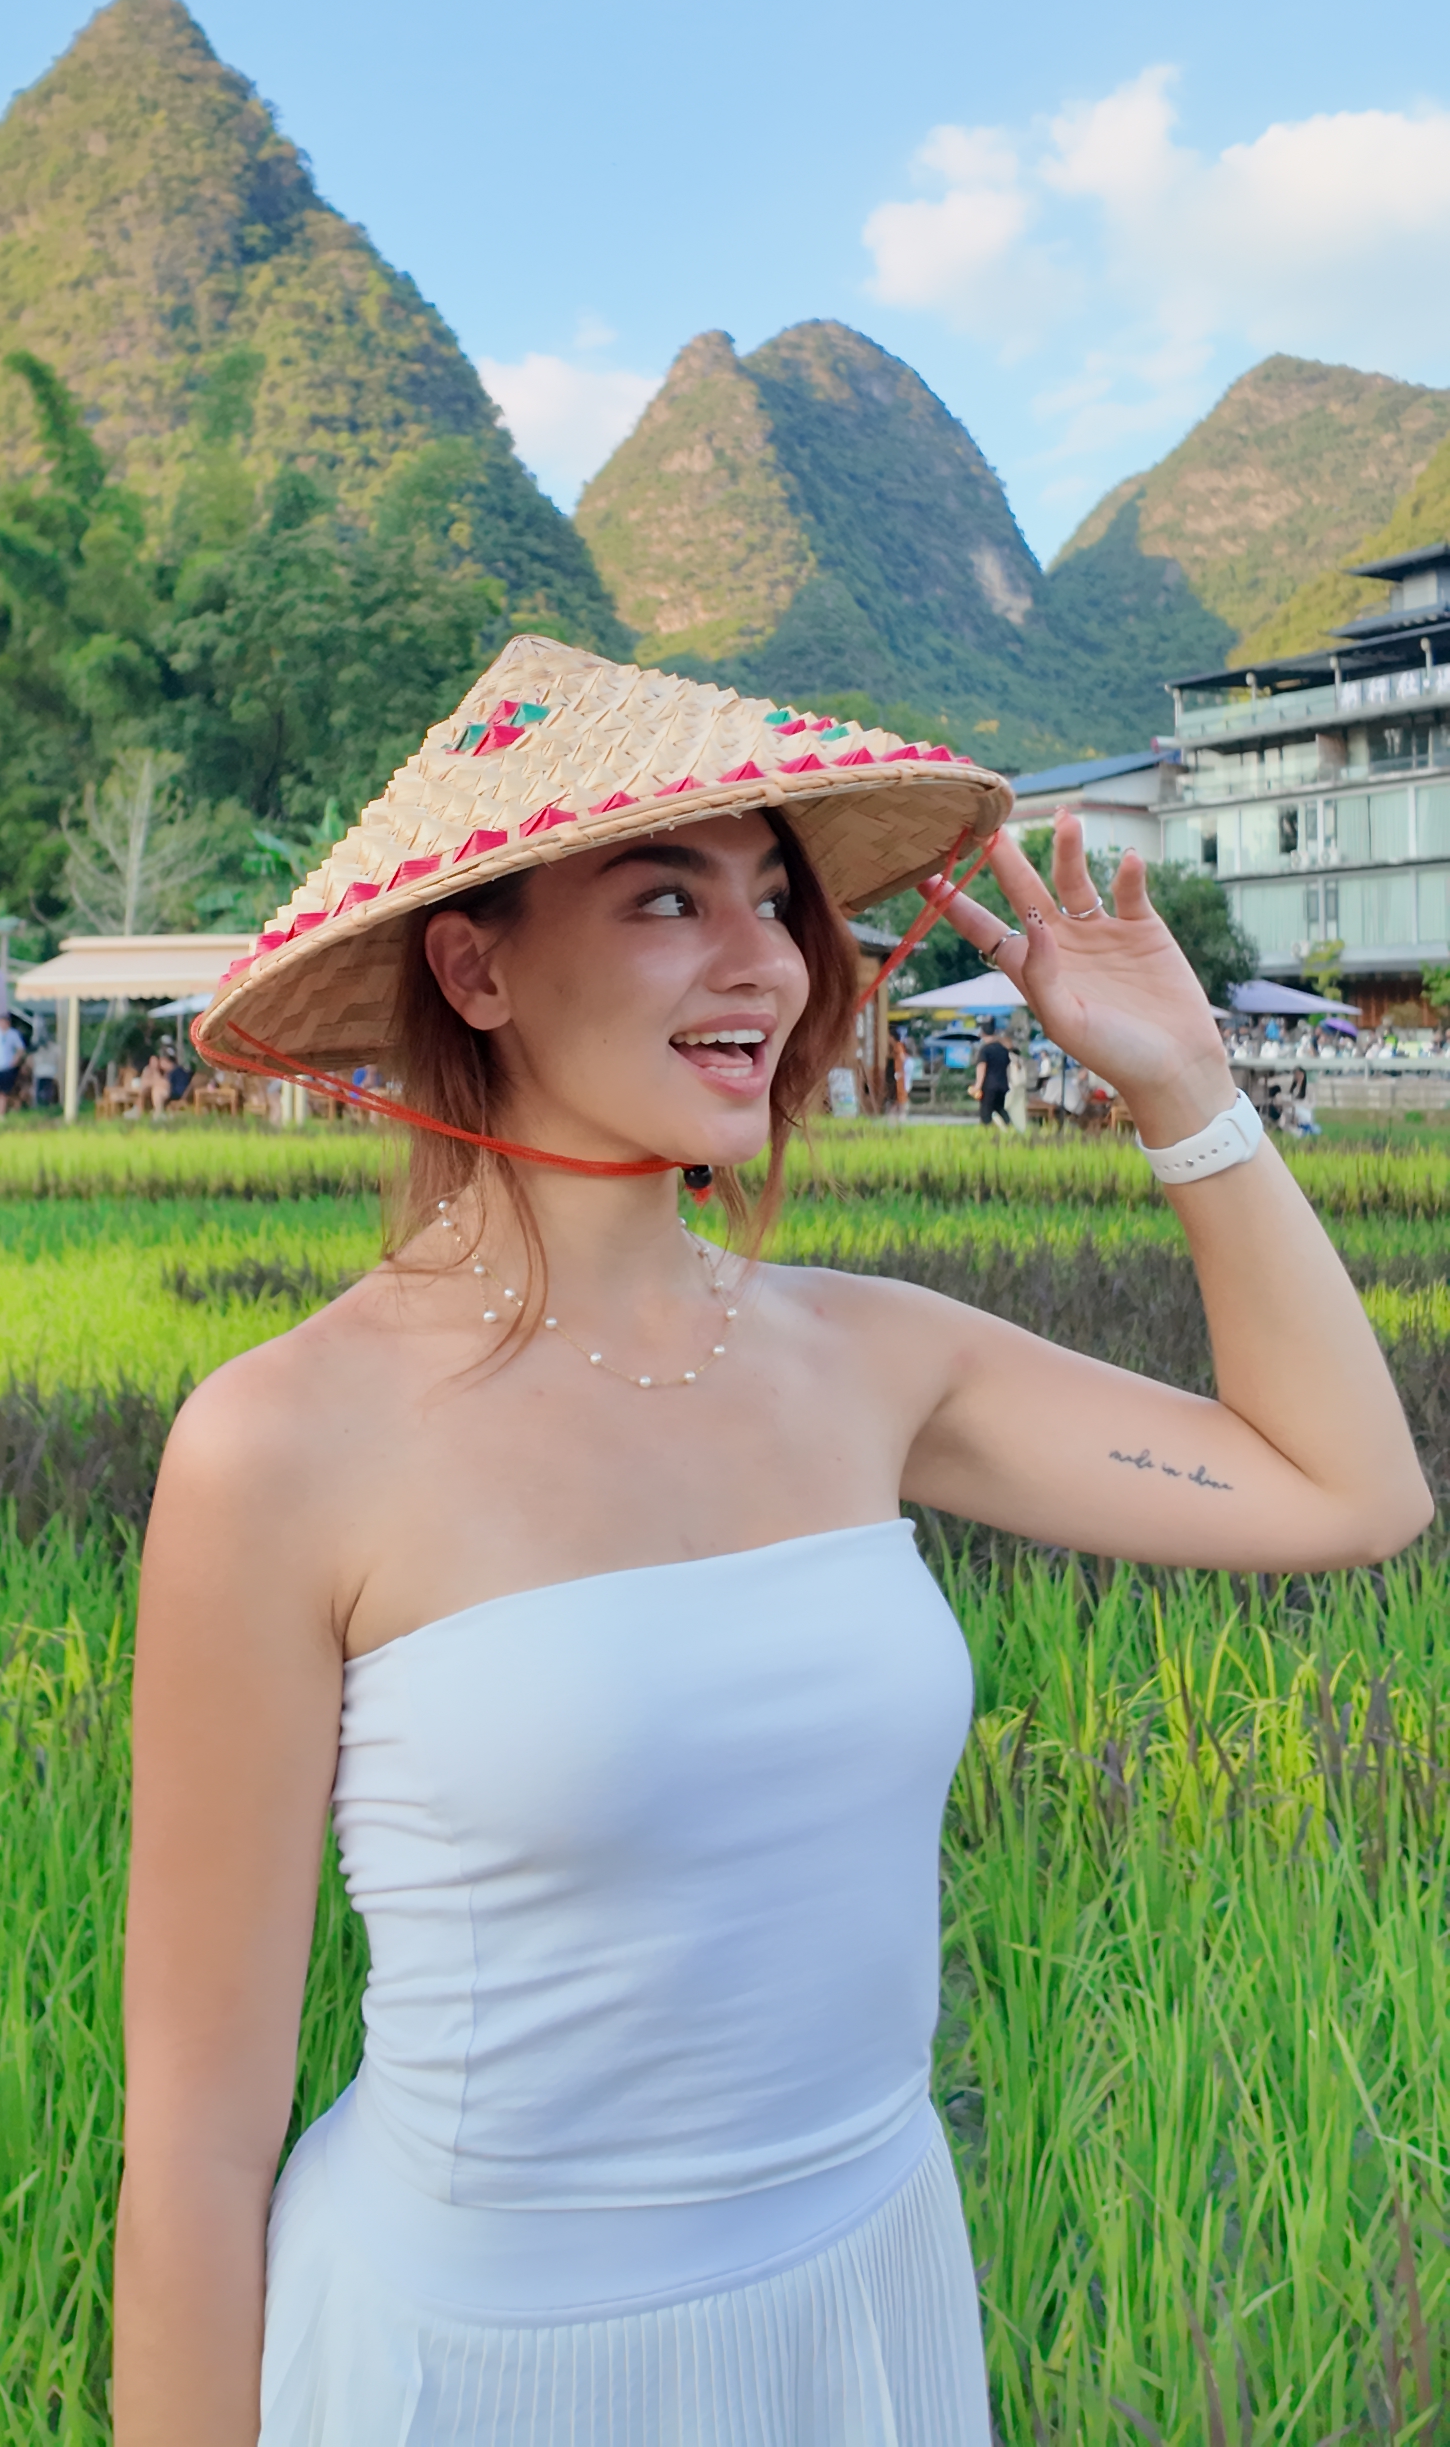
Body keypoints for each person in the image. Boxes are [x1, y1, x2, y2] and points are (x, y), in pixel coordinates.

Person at [114, 639, 1431, 2447]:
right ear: (474, 967)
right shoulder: (283, 1443)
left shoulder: (868, 1358)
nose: (767, 962)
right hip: (479, 2360)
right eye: (668, 897)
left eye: (777, 900)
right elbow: (196, 2135)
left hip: (861, 2300)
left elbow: (1347, 1491)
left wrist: (1184, 1086)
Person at [970, 1023, 1010, 1129]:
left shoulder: (985, 1050)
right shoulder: (1003, 1050)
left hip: (989, 1086)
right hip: (1002, 1084)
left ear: (982, 1034)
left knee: (986, 1112)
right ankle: (1009, 1125)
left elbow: (981, 1068)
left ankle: (987, 1131)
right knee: (999, 1108)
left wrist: (977, 1086)